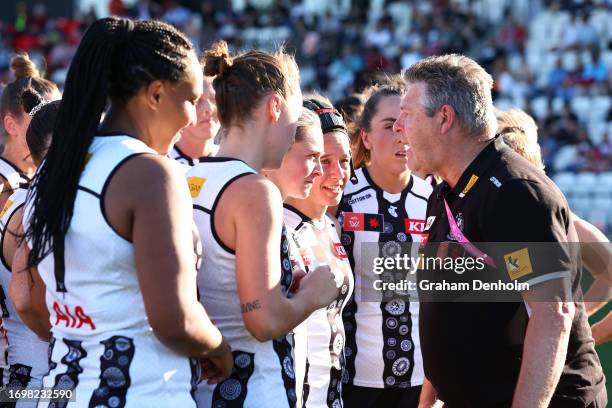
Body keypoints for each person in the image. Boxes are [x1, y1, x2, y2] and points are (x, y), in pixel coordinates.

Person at [14, 17, 233, 407]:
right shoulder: (150, 173)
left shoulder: (55, 165)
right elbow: (175, 321)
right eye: (190, 99)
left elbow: (30, 297)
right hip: (142, 393)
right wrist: (218, 347)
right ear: (155, 94)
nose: (193, 116)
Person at [395, 54, 606, 407]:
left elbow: (552, 313)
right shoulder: (447, 191)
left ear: (445, 118)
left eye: (408, 113)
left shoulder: (514, 191)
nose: (399, 125)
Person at [186, 41, 338, 408]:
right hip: (253, 388)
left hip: (202, 388)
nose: (293, 133)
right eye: (295, 116)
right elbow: (263, 320)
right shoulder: (254, 191)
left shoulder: (189, 178)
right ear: (275, 107)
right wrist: (313, 295)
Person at [338, 79, 436, 408]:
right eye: (388, 125)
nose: (400, 134)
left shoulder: (435, 200)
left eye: (407, 123)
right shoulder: (340, 198)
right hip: (355, 381)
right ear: (365, 136)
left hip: (423, 382)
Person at [496, 108, 612, 349]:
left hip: (540, 374)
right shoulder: (472, 204)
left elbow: (609, 271)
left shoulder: (553, 213)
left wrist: (579, 337)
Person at [282, 97, 355, 408]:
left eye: (345, 161)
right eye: (324, 161)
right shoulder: (277, 224)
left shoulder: (331, 225)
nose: (338, 174)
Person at [263, 107, 324, 406]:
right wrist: (312, 296)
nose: (321, 171)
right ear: (281, 147)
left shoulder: (273, 207)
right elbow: (263, 320)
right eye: (313, 157)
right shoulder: (258, 205)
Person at [1, 89, 58, 406]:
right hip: (41, 376)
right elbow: (24, 299)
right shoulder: (35, 201)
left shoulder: (19, 198)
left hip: (18, 372)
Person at [0, 53, 60, 211]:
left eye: (57, 116)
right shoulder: (3, 184)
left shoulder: (44, 171)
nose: (51, 125)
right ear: (11, 125)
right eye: (39, 117)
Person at [170, 75, 220, 166]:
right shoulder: (157, 162)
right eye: (197, 101)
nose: (209, 108)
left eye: (214, 99)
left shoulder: (235, 165)